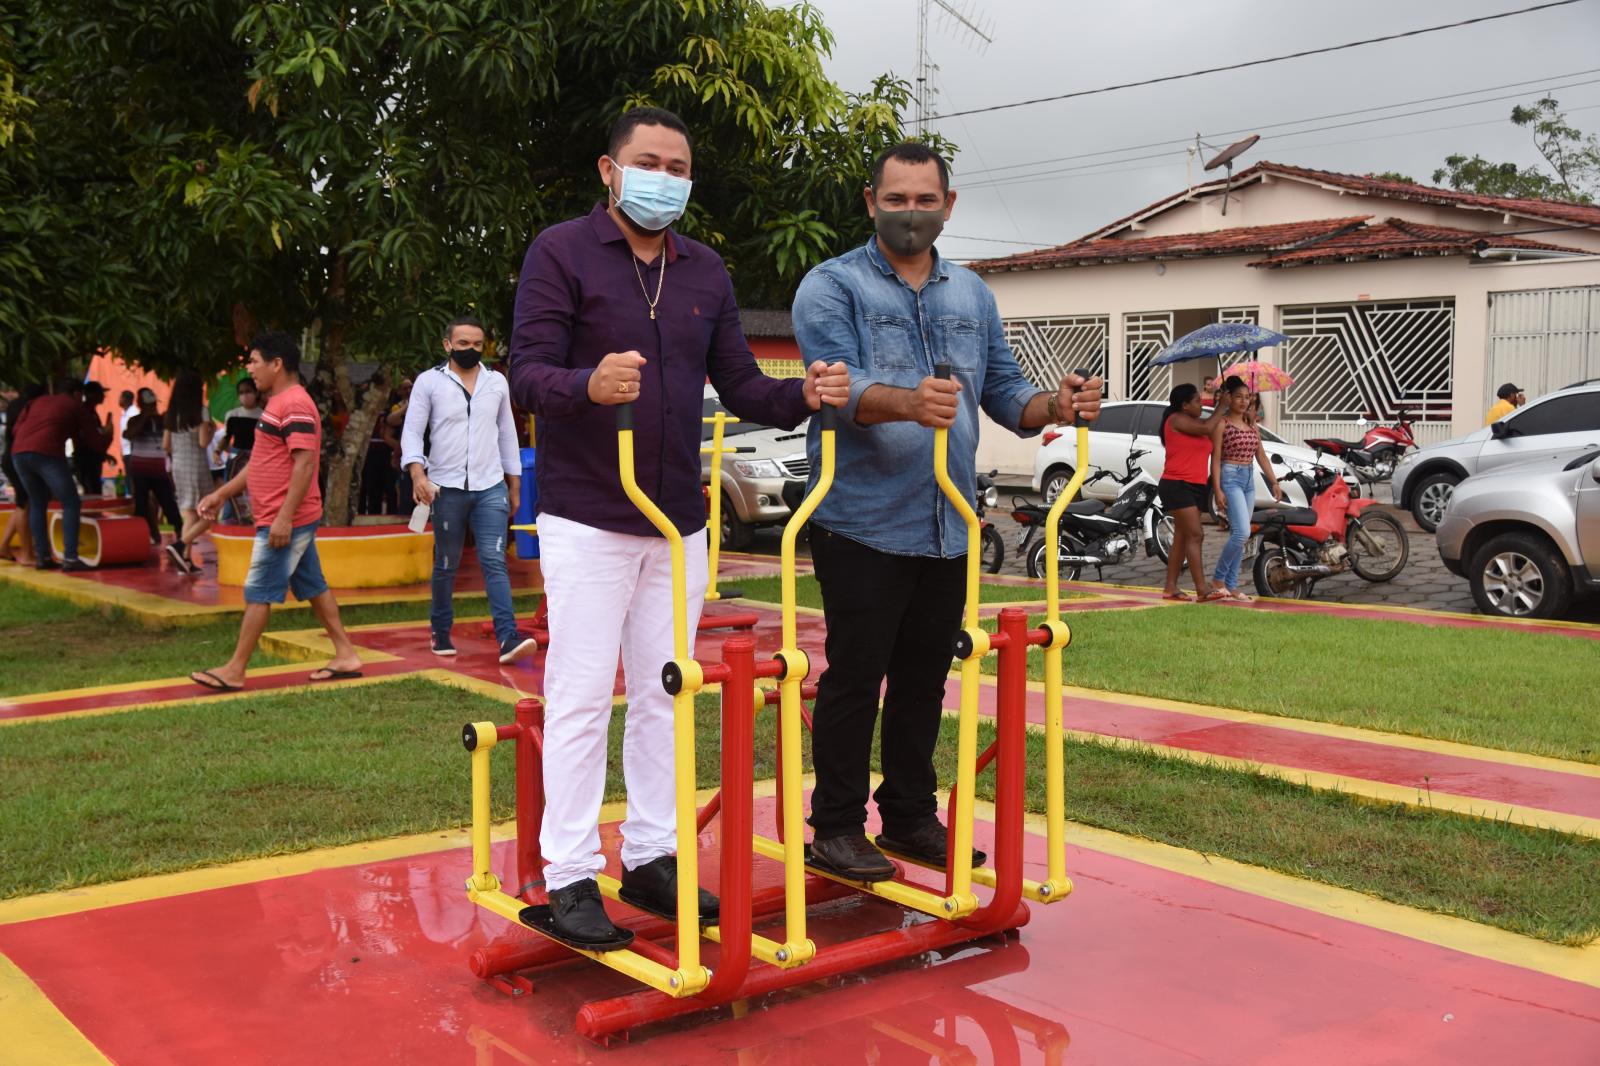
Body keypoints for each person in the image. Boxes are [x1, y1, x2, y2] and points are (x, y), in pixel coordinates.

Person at [508, 105, 850, 947]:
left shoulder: (704, 271)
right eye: (650, 161)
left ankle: (655, 857)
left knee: (668, 694)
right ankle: (571, 874)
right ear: (609, 170)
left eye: (679, 166)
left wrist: (800, 393)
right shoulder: (561, 252)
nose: (666, 177)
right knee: (582, 695)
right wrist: (587, 385)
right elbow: (526, 374)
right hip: (589, 512)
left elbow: (740, 383)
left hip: (676, 521)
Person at [791, 141, 1103, 882]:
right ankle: (834, 827)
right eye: (895, 200)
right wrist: (907, 401)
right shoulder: (829, 287)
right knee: (855, 677)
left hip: (948, 519)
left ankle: (906, 816)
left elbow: (1006, 392)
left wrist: (1053, 406)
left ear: (948, 206)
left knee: (926, 677)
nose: (909, 214)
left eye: (924, 200)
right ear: (870, 203)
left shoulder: (973, 295)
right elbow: (839, 384)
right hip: (858, 516)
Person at [189, 332, 364, 691]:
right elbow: (262, 462)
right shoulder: (279, 403)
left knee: (258, 592)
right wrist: (222, 493)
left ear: (277, 364)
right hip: (282, 516)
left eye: (254, 361)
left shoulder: (295, 404)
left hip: (285, 520)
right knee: (314, 586)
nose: (249, 369)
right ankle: (345, 653)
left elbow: (304, 465)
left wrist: (284, 517)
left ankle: (235, 669)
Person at [402, 316, 535, 662]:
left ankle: (508, 637)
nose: (470, 350)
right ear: (447, 345)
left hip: (490, 486)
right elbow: (413, 432)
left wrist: (515, 484)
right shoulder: (429, 382)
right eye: (463, 344)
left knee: (494, 560)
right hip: (444, 488)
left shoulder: (497, 383)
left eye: (477, 345)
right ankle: (440, 630)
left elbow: (507, 433)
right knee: (447, 563)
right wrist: (417, 474)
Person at [9, 379, 112, 570]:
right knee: (71, 502)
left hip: (19, 453)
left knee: (37, 503)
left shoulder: (36, 402)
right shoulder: (75, 406)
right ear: (75, 393)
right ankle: (70, 558)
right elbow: (95, 443)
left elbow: (16, 429)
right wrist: (108, 433)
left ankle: (42, 557)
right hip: (47, 453)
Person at [1208, 377, 1282, 602]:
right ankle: (1218, 579)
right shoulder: (1222, 424)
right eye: (1238, 396)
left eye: (1246, 396)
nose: (1243, 401)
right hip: (1230, 477)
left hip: (1249, 479)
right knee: (1242, 532)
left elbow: (1260, 456)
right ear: (1228, 398)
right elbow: (1216, 458)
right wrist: (1218, 489)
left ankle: (1231, 585)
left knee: (1239, 535)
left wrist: (1274, 482)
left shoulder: (1252, 425)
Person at [1158, 383, 1225, 602]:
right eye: (1197, 401)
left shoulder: (1194, 421)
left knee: (1182, 536)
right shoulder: (1176, 419)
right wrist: (1221, 407)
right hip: (1177, 484)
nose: (1201, 403)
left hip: (1194, 486)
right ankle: (1202, 589)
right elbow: (1207, 428)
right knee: (1196, 535)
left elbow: (1210, 430)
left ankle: (1170, 587)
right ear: (1184, 405)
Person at [161, 370, 218, 574]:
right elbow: (203, 442)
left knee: (191, 515)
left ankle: (184, 559)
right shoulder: (201, 411)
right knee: (211, 511)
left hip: (178, 466)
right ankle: (180, 546)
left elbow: (166, 445)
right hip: (197, 466)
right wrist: (211, 429)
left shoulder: (172, 413)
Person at [125, 388, 184, 547]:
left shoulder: (162, 420)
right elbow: (129, 434)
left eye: (153, 405)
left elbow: (170, 441)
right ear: (140, 404)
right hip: (140, 470)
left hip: (159, 470)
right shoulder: (134, 421)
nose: (152, 408)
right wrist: (145, 416)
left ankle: (181, 534)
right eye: (148, 405)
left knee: (168, 503)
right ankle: (147, 534)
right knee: (141, 504)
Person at [0, 384, 47, 563]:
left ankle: (4, 546)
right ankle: (27, 554)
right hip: (18, 457)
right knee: (25, 504)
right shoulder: (30, 408)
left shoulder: (15, 406)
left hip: (11, 456)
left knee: (23, 502)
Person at [220, 377, 263, 524]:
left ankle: (254, 521)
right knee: (231, 489)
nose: (245, 395)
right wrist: (217, 452)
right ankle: (229, 520)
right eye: (241, 392)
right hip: (236, 458)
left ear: (256, 393)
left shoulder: (263, 415)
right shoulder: (233, 415)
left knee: (254, 492)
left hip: (257, 458)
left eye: (248, 391)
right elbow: (226, 437)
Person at [72, 381, 113, 496]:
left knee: (94, 489)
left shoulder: (92, 412)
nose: (103, 396)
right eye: (100, 393)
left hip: (92, 456)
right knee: (92, 492)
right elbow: (88, 438)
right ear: (91, 395)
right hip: (86, 458)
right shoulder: (84, 412)